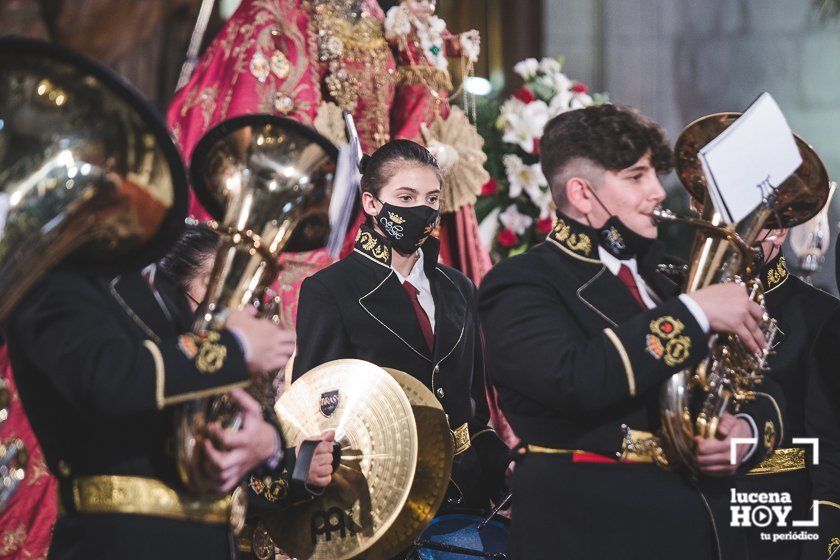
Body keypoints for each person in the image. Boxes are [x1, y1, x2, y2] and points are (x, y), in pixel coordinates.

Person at [478, 104, 786, 560]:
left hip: (707, 533)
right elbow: (576, 379)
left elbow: (762, 386)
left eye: (654, 175)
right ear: (582, 194)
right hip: (594, 534)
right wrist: (695, 313)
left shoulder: (668, 281)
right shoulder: (520, 281)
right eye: (636, 176)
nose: (659, 192)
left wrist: (745, 433)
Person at [4, 225, 332, 560]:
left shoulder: (164, 296)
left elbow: (242, 409)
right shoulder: (52, 277)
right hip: (121, 543)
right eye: (214, 283)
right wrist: (236, 346)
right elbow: (103, 377)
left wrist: (269, 442)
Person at [293, 139, 510, 511]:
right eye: (406, 198)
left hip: (464, 502)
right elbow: (315, 411)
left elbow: (472, 417)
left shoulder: (460, 289)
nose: (422, 210)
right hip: (378, 500)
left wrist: (505, 468)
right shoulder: (329, 290)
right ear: (372, 203)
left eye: (431, 199)